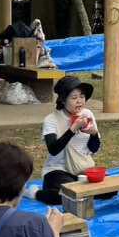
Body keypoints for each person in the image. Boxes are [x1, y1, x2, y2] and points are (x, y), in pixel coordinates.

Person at [38, 76, 100, 205]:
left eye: (82, 97)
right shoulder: (51, 119)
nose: (79, 101)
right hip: (58, 169)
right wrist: (72, 129)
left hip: (82, 168)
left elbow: (93, 149)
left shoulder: (87, 114)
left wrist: (94, 134)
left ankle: (83, 190)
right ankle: (35, 193)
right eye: (74, 97)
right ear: (63, 100)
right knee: (67, 196)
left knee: (111, 190)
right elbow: (53, 149)